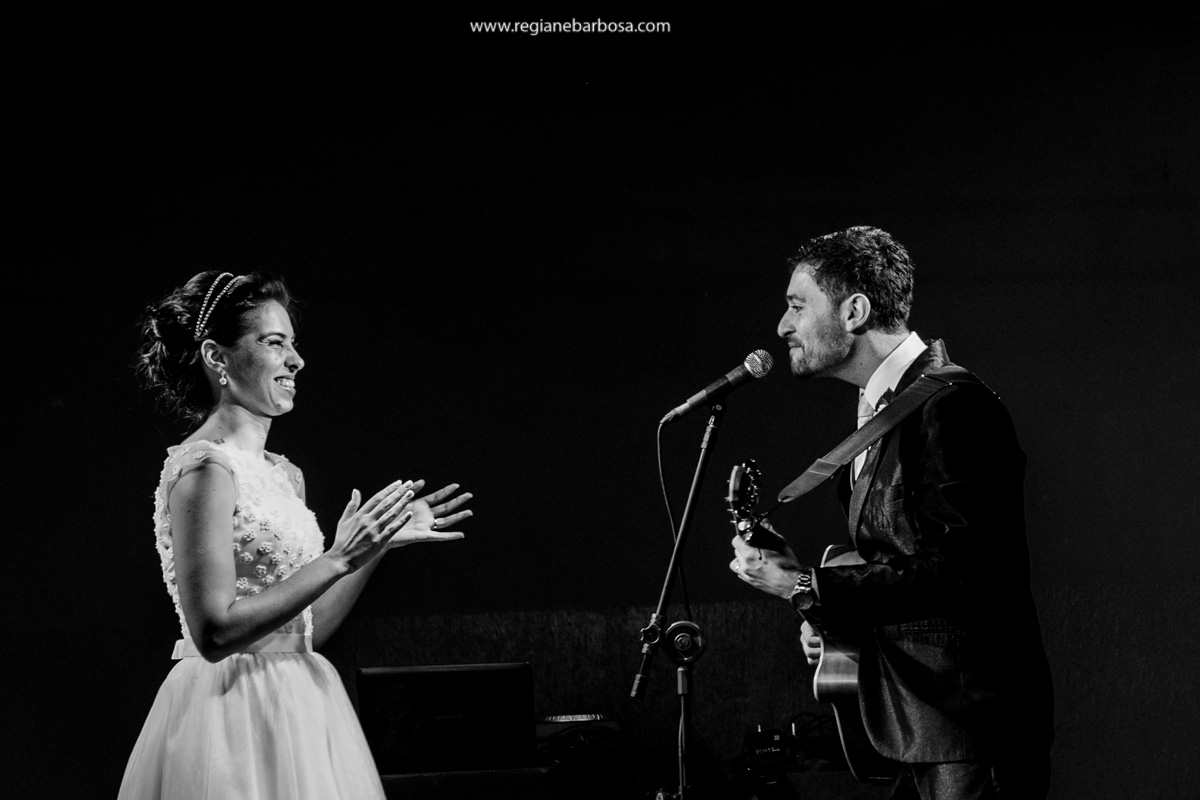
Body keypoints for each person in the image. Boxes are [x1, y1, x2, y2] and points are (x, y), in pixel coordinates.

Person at [119, 271, 472, 799]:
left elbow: (308, 629)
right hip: (230, 716)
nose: (295, 360)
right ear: (218, 357)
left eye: (293, 344)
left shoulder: (285, 474)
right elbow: (213, 633)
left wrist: (370, 550)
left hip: (302, 704)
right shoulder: (203, 471)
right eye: (273, 343)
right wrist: (336, 558)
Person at [729, 227, 1053, 799]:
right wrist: (824, 611)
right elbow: (900, 567)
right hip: (916, 724)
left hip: (969, 729)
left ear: (854, 311)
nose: (783, 327)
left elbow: (960, 575)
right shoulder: (883, 413)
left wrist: (806, 584)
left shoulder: (954, 410)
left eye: (797, 306)